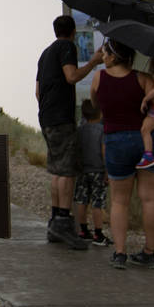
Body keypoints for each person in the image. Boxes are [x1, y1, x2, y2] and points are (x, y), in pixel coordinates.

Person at [91, 37, 154, 270]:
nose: (103, 55)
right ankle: (149, 253)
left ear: (114, 55)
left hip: (117, 141)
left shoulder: (99, 78)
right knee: (150, 198)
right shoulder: (142, 78)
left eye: (105, 52)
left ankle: (119, 253)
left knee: (119, 201)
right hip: (150, 140)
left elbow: (96, 103)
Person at [36, 15, 103, 250]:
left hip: (46, 117)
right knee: (66, 171)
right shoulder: (67, 47)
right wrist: (94, 62)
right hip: (61, 117)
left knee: (57, 170)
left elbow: (37, 91)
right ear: (73, 31)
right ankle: (64, 222)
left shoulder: (45, 54)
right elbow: (71, 76)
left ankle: (55, 220)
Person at [74, 99, 111, 245]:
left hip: (83, 170)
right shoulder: (102, 130)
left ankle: (82, 230)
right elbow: (104, 151)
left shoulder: (80, 130)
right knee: (97, 202)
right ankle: (98, 233)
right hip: (98, 171)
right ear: (100, 113)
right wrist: (107, 171)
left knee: (82, 200)